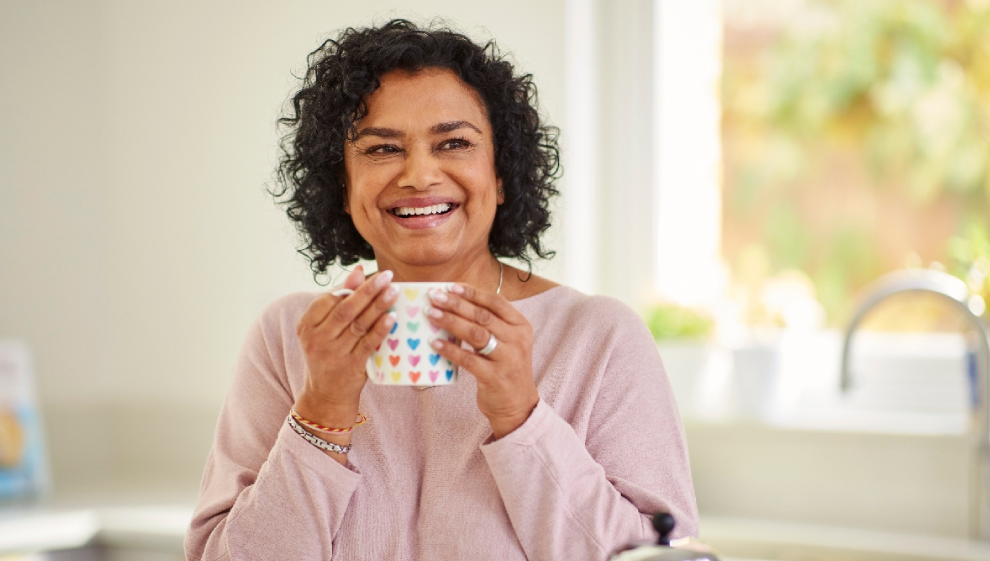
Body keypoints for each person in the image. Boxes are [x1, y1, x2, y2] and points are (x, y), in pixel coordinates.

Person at [185, 19, 697, 561]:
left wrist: (522, 418)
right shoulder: (289, 339)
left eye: (453, 143)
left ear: (502, 175)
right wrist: (323, 411)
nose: (419, 175)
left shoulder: (598, 337)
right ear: (342, 183)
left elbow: (659, 556)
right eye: (382, 149)